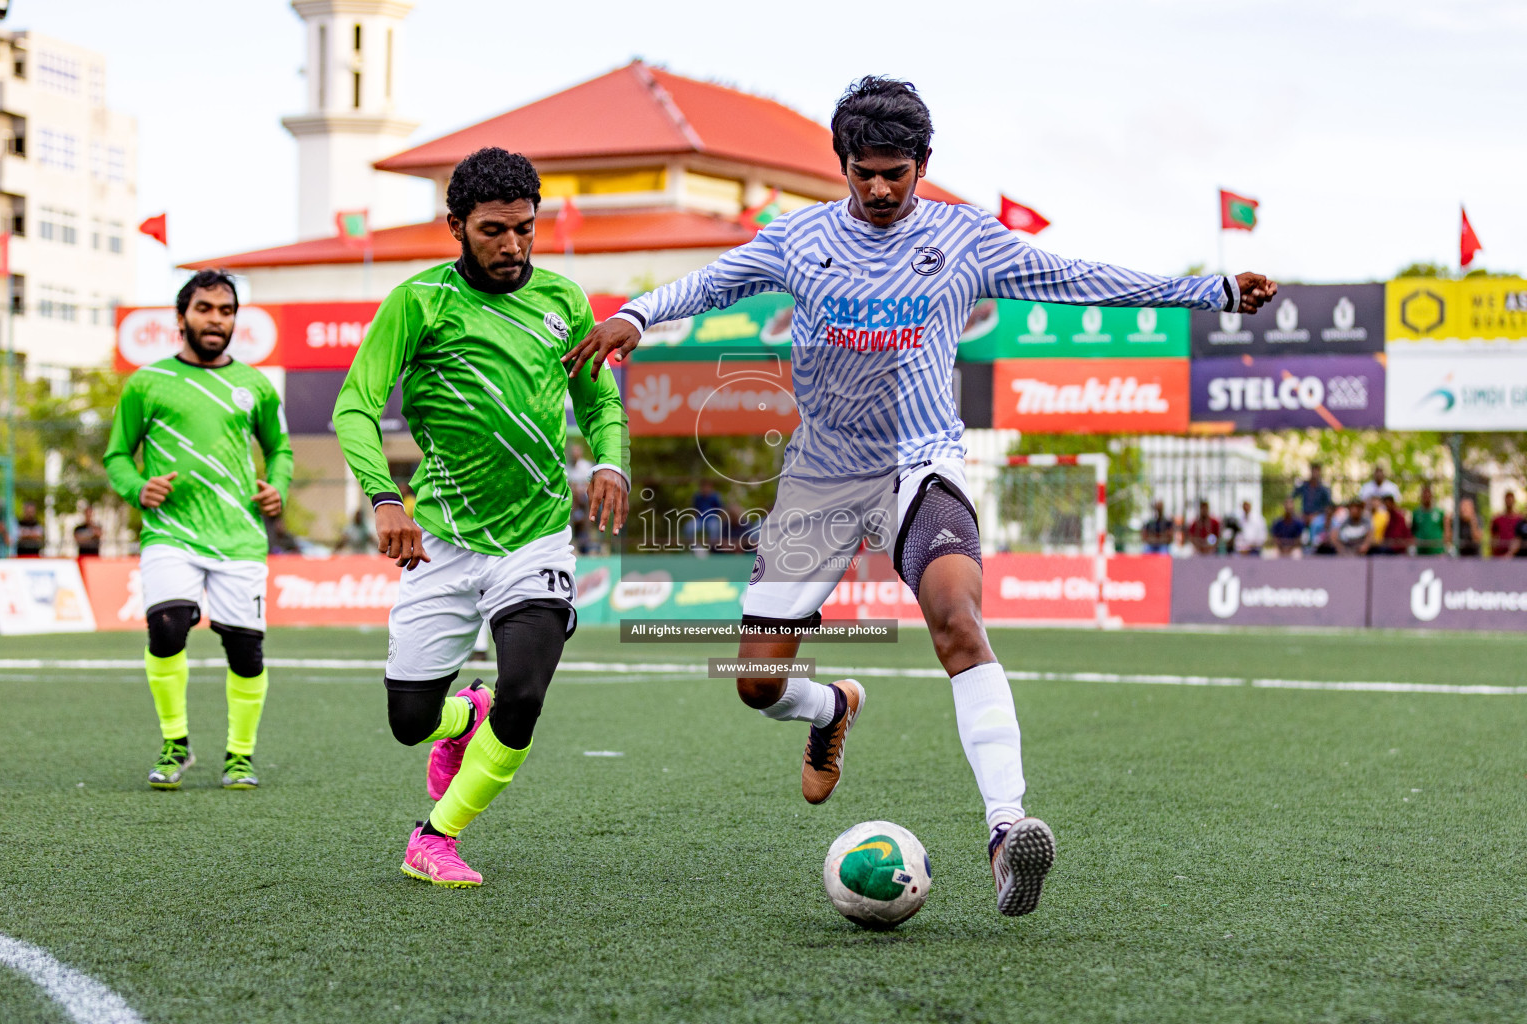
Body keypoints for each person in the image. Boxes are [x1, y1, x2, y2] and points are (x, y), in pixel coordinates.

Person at [565, 77, 1276, 918]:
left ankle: (1008, 833)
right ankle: (832, 708)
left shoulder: (968, 239)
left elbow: (1081, 278)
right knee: (758, 685)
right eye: (863, 172)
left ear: (924, 165)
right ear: (842, 165)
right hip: (823, 477)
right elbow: (712, 283)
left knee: (957, 621)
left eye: (895, 173)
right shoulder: (798, 238)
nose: (878, 188)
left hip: (921, 463)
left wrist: (1213, 292)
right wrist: (637, 316)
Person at [332, 148, 629, 888]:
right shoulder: (418, 302)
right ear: (456, 226)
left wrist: (612, 459)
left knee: (525, 693)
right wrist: (385, 497)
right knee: (409, 722)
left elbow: (598, 399)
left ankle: (435, 836)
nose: (512, 245)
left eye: (525, 228)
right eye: (493, 230)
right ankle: (462, 719)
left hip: (535, 537)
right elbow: (355, 407)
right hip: (440, 541)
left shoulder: (563, 300)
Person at [103, 269, 293, 790]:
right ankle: (175, 744)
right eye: (205, 308)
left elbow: (280, 449)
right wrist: (136, 488)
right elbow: (117, 455)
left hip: (239, 538)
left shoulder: (254, 384)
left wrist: (278, 485)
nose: (216, 319)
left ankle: (240, 755)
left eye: (226, 310)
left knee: (244, 651)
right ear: (181, 316)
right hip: (171, 534)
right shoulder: (147, 382)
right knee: (167, 629)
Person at [1410, 484, 1449, 556]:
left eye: (1428, 495)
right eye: (1424, 495)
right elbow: (1413, 531)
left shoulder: (1440, 513)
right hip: (1421, 551)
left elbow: (1446, 531)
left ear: (1432, 496)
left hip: (1437, 551)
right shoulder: (1416, 513)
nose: (1426, 497)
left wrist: (1446, 546)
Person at [1489, 491, 1521, 558]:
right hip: (1499, 556)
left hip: (1516, 558)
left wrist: (1510, 553)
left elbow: (1520, 539)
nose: (1509, 501)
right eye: (1507, 499)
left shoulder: (1520, 520)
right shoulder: (1497, 519)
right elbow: (1493, 537)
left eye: (1511, 499)